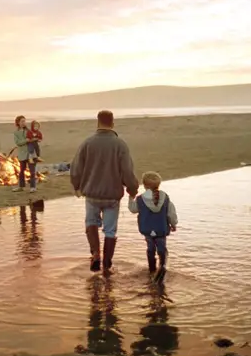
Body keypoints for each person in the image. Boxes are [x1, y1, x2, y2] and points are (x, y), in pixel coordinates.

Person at [70, 110, 139, 273]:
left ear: (98, 122)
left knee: (91, 223)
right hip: (112, 195)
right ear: (112, 123)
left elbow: (76, 168)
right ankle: (107, 265)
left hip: (92, 193)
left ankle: (95, 254)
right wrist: (132, 188)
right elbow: (127, 171)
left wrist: (77, 186)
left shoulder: (87, 143)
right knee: (110, 230)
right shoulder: (120, 144)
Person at [128, 171, 178, 282]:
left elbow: (133, 209)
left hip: (147, 229)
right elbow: (171, 213)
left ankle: (152, 270)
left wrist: (131, 198)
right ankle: (163, 265)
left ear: (144, 185)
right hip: (161, 228)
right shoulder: (165, 197)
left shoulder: (140, 199)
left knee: (150, 248)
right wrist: (173, 224)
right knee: (162, 248)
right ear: (158, 184)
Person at [11, 115, 37, 193]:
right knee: (22, 171)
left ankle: (33, 187)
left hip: (31, 154)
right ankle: (21, 186)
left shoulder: (29, 131)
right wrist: (26, 140)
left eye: (24, 121)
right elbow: (18, 143)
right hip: (22, 154)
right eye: (22, 121)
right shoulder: (16, 133)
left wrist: (33, 139)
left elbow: (33, 139)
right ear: (18, 123)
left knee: (32, 171)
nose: (23, 123)